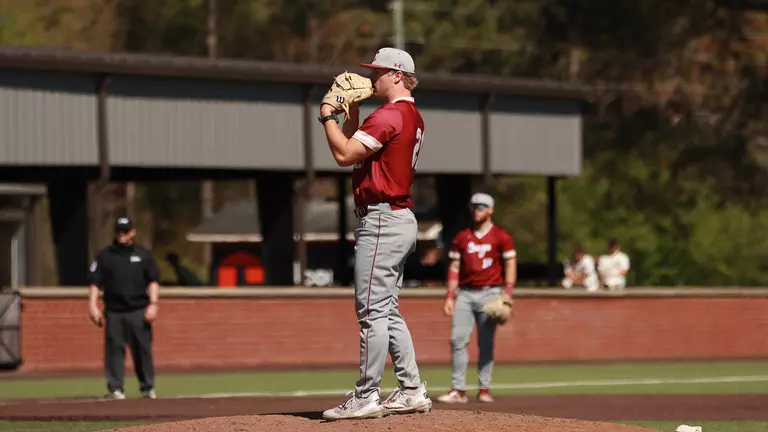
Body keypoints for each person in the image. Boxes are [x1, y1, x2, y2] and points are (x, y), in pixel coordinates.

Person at [318, 47, 431, 420]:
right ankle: (412, 389)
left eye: (379, 72)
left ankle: (367, 395)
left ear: (398, 75)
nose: (371, 78)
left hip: (381, 219)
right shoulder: (409, 115)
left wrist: (326, 117)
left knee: (370, 311)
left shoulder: (389, 115)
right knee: (387, 309)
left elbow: (345, 155)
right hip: (397, 217)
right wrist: (350, 114)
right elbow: (364, 151)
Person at [436, 193, 517, 404]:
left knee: (486, 342)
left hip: (490, 292)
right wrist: (449, 296)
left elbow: (510, 264)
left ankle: (484, 388)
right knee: (457, 339)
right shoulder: (462, 237)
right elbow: (454, 267)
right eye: (473, 206)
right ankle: (459, 390)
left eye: (481, 206)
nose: (476, 210)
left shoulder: (501, 236)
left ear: (491, 210)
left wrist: (507, 292)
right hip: (466, 292)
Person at [88, 216, 160, 400]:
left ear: (133, 232)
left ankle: (147, 387)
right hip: (114, 311)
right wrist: (92, 306)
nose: (122, 234)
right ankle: (115, 388)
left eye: (126, 231)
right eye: (120, 231)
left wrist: (153, 304)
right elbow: (95, 283)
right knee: (114, 350)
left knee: (142, 350)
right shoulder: (105, 256)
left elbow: (153, 281)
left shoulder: (143, 255)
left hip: (138, 310)